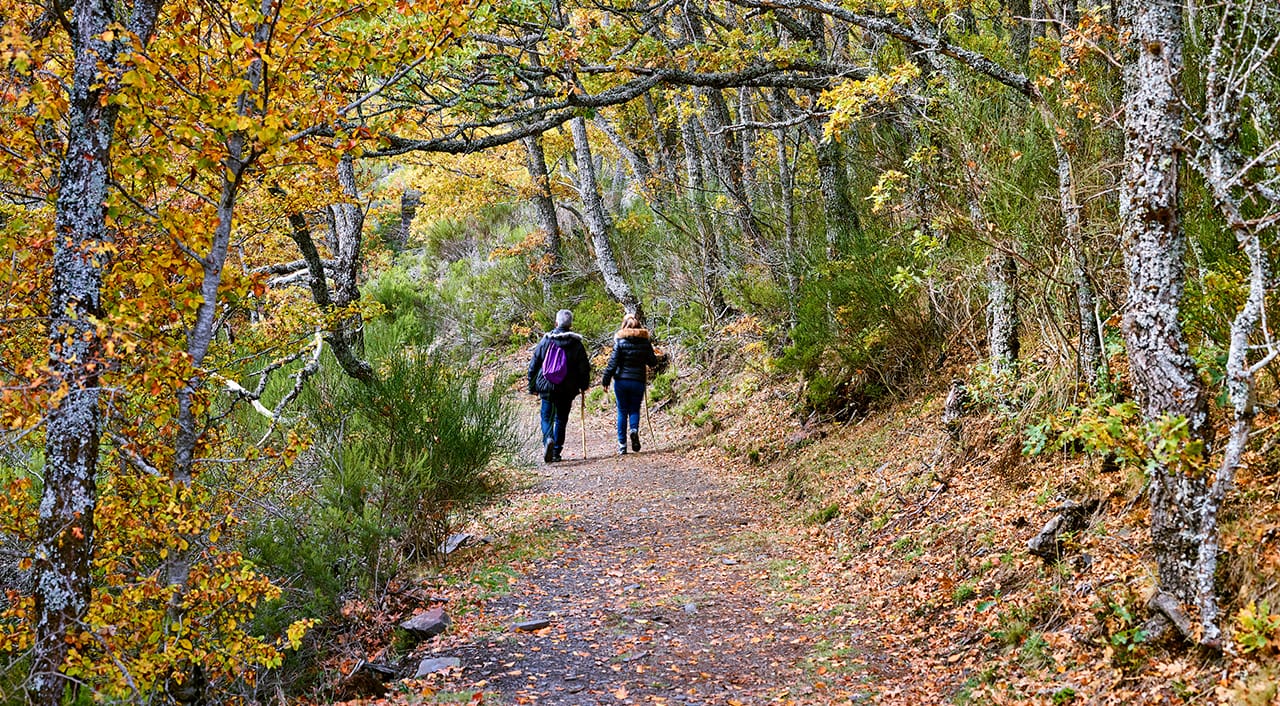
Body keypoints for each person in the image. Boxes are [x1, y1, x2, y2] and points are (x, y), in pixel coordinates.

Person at [528, 309, 591, 463]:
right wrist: (584, 385)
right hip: (567, 389)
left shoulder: (546, 341)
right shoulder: (576, 344)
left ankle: (548, 439)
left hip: (547, 386)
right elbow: (584, 368)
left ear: (556, 323)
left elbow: (534, 365)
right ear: (571, 325)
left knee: (546, 417)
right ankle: (556, 452)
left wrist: (532, 386)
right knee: (561, 419)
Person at [601, 314, 665, 455]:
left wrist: (605, 380)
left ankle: (622, 445)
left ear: (624, 325)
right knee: (635, 409)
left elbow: (612, 363)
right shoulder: (645, 342)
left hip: (621, 381)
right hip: (638, 381)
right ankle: (634, 430)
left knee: (622, 411)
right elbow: (653, 362)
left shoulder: (620, 341)